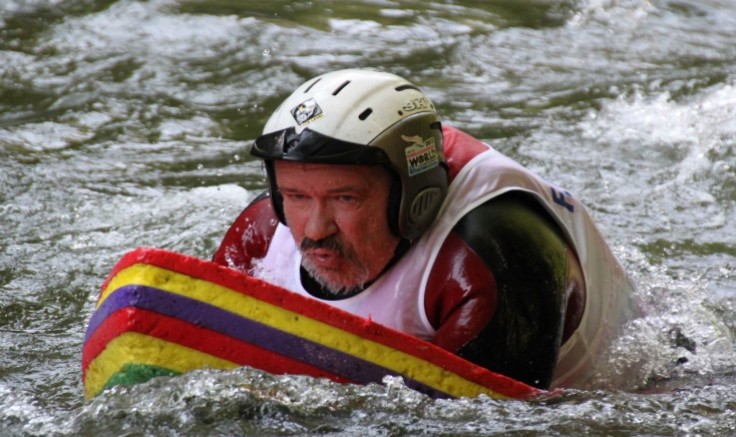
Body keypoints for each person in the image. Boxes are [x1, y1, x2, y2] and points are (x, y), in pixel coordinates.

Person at [213, 69, 636, 390]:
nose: (316, 230)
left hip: (632, 389)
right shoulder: (264, 229)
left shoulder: (492, 252)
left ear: (415, 199)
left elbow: (484, 423)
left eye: (345, 199)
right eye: (298, 197)